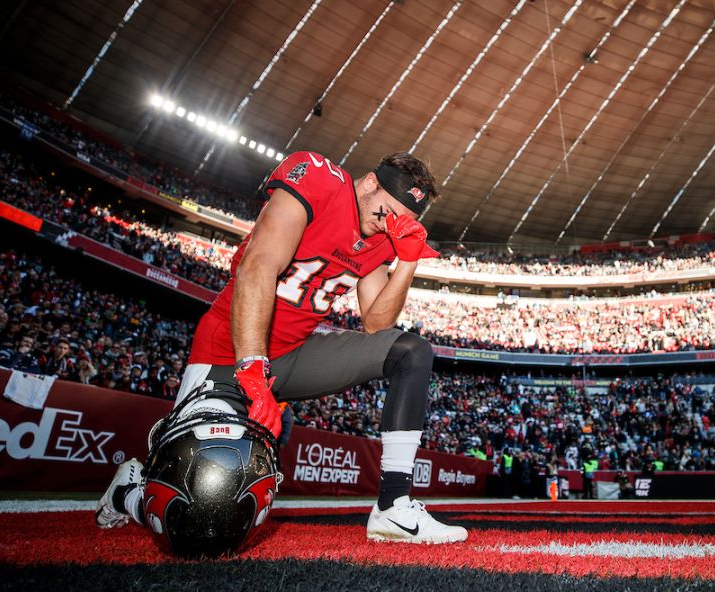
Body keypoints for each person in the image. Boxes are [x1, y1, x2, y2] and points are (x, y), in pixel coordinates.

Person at [96, 151, 467, 545]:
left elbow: (377, 323)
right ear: (371, 182)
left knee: (411, 352)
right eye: (387, 214)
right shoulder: (320, 181)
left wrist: (407, 262)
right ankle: (127, 494)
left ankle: (394, 506)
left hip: (292, 355)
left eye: (402, 224)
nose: (389, 227)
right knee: (199, 515)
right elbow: (257, 266)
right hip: (228, 353)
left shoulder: (381, 239)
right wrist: (252, 370)